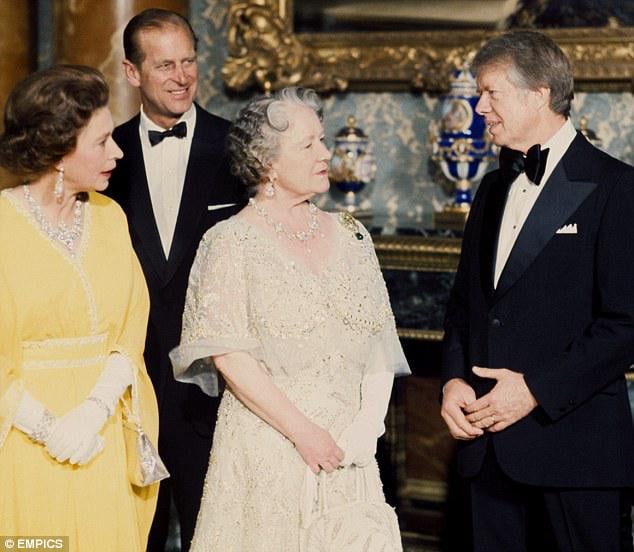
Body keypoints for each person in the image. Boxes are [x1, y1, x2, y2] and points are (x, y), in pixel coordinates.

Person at [170, 87, 410, 551]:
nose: (326, 153)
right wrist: (305, 434)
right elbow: (230, 356)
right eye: (309, 145)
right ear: (267, 164)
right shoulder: (230, 242)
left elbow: (381, 336)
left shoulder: (350, 232)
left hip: (350, 453)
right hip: (271, 449)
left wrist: (367, 427)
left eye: (322, 140)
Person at [440, 29, 634, 551]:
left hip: (574, 453)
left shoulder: (618, 188)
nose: (479, 107)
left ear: (539, 94)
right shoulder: (491, 187)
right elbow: (464, 306)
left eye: (490, 93)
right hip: (486, 453)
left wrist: (533, 391)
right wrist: (454, 381)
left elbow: (625, 326)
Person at [0, 65, 159, 551]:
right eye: (103, 141)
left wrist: (92, 411)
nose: (118, 152)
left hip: (101, 437)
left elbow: (131, 331)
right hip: (25, 443)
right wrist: (51, 429)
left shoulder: (111, 219)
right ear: (59, 149)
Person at [105, 9, 245, 550]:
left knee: (213, 532)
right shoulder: (106, 157)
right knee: (133, 535)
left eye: (189, 61)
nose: (182, 76)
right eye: (165, 65)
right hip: (129, 390)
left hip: (213, 388)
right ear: (132, 72)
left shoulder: (236, 148)